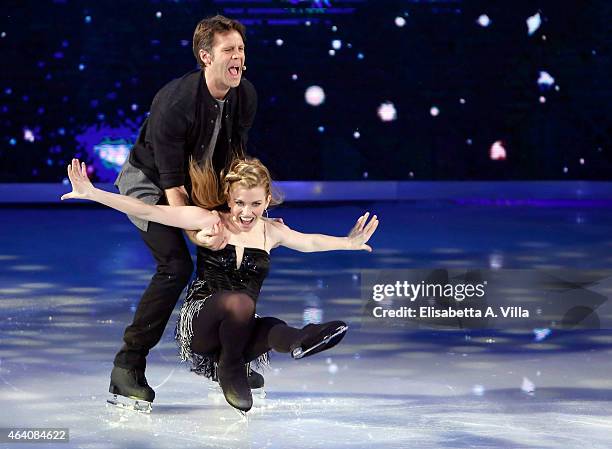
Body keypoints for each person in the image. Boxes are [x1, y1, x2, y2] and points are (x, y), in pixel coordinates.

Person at [62, 157, 379, 412]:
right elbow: (149, 210)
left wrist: (349, 243)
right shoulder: (208, 220)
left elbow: (309, 241)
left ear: (267, 200)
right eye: (240, 203)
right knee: (241, 302)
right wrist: (93, 193)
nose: (246, 212)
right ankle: (230, 368)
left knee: (270, 326)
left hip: (239, 331)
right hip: (202, 324)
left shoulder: (271, 232)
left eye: (255, 204)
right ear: (229, 198)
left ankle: (301, 338)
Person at [111, 14, 258, 406]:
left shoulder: (245, 95)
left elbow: (234, 162)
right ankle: (127, 366)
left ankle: (219, 356)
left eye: (241, 49)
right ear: (205, 56)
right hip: (150, 185)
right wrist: (197, 232)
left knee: (232, 252)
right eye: (229, 50)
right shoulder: (175, 103)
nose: (238, 57)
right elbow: (172, 186)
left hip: (201, 182)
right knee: (176, 266)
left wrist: (242, 212)